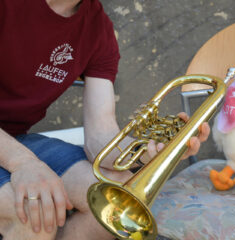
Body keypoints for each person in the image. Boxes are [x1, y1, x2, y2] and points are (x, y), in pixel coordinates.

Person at [0, 0, 210, 239]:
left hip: (17, 141)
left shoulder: (98, 29)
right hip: (17, 152)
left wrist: (149, 152)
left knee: (117, 201)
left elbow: (100, 137)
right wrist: (23, 163)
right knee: (31, 213)